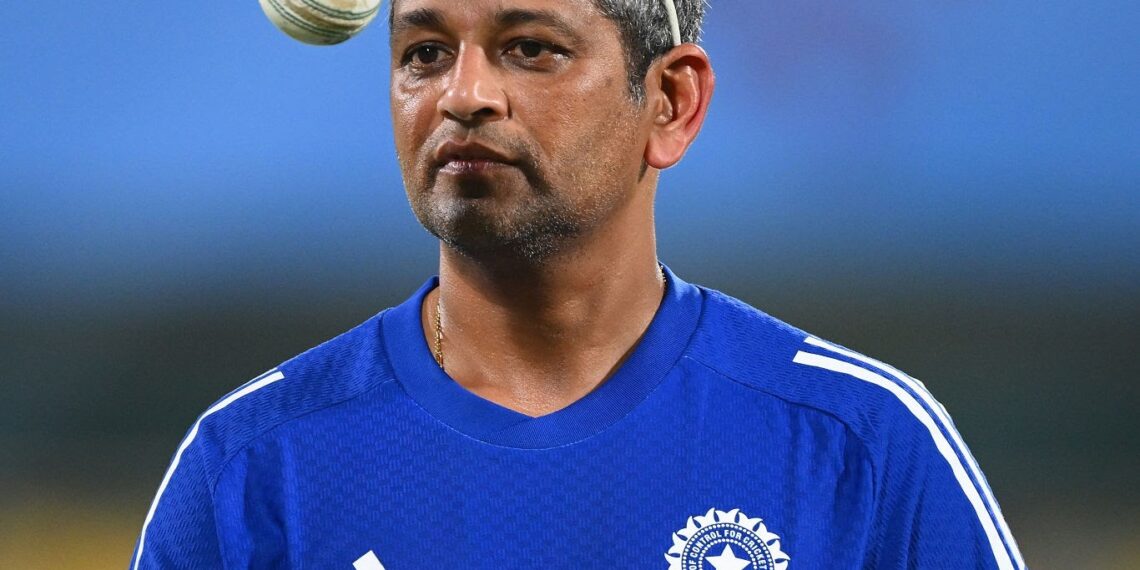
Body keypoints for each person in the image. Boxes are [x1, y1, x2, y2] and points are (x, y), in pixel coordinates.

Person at [130, 0, 1026, 568]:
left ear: (671, 103)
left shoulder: (859, 446)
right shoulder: (253, 467)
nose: (464, 95)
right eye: (426, 52)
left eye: (530, 48)